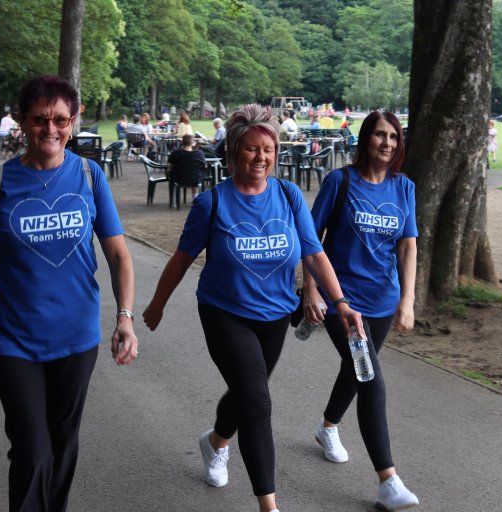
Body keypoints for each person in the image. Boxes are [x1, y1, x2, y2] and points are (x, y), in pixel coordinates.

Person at [142, 103, 365, 512]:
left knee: (249, 392)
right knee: (259, 402)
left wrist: (341, 303)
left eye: (268, 149)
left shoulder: (288, 194)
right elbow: (181, 259)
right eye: (250, 148)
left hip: (275, 315)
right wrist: (156, 305)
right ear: (232, 152)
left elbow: (315, 253)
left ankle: (215, 443)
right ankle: (269, 506)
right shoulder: (212, 204)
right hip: (224, 313)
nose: (260, 157)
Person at [0, 74, 139, 512]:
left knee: (64, 443)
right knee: (33, 449)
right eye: (39, 120)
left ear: (74, 120)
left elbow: (119, 256)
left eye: (61, 120)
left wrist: (125, 317)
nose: (51, 130)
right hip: (13, 340)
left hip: (76, 337)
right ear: (21, 121)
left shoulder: (89, 176)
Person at [300, 111, 419, 511]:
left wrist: (407, 300)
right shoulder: (341, 181)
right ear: (365, 138)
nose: (386, 143)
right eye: (379, 135)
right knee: (371, 378)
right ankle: (388, 480)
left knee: (355, 370)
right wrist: (311, 293)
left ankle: (327, 427)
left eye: (393, 137)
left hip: (383, 301)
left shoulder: (404, 188)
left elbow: (407, 246)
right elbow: (311, 238)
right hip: (342, 302)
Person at [168, 133, 206, 198]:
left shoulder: (175, 153)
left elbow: (170, 167)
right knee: (195, 172)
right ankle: (195, 197)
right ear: (193, 143)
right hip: (196, 179)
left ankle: (173, 200)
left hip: (179, 179)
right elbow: (205, 167)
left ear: (182, 142)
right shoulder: (199, 154)